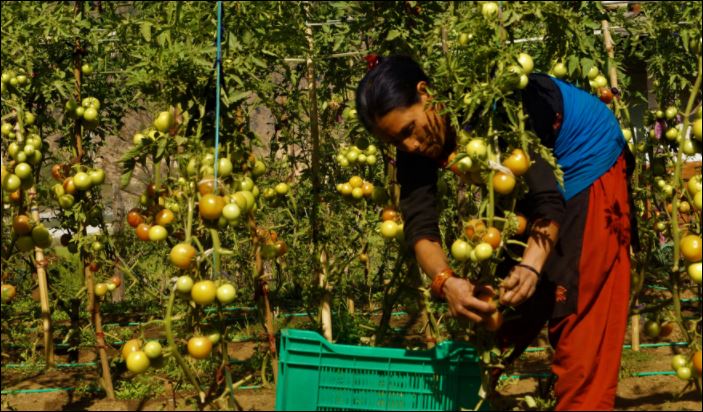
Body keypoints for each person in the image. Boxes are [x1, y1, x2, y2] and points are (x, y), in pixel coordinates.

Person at [355, 55, 634, 411]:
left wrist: (532, 265)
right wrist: (446, 282)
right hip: (533, 188)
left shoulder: (493, 108)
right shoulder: (413, 144)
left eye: (409, 130)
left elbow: (548, 198)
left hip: (586, 165)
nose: (409, 146)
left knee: (575, 301)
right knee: (500, 304)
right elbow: (419, 224)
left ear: (425, 94)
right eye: (396, 141)